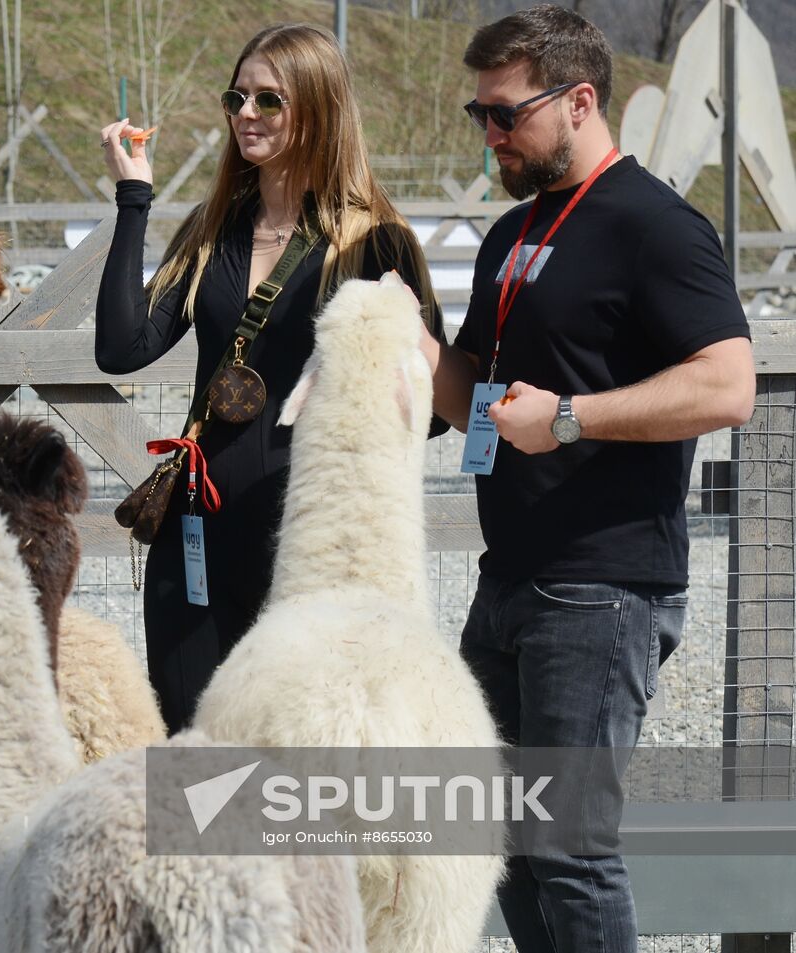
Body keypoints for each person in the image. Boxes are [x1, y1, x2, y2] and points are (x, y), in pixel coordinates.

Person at [418, 6, 755, 951]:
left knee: (568, 847)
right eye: (476, 115)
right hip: (510, 581)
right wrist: (407, 340)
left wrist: (569, 415)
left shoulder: (656, 225)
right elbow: (471, 400)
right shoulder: (509, 238)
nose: (490, 134)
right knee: (505, 844)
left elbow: (730, 386)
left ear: (578, 101)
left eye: (504, 114)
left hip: (603, 588)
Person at [94, 22, 445, 733]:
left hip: (310, 545)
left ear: (317, 109)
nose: (246, 114)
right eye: (237, 97)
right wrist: (135, 201)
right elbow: (122, 347)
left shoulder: (375, 241)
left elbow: (431, 413)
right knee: (195, 755)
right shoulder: (213, 228)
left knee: (295, 764)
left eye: (269, 100)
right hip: (195, 534)